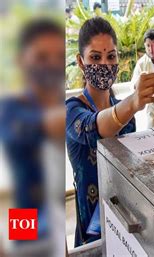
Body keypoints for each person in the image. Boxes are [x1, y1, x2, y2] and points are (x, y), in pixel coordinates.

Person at [66, 17, 154, 246]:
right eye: (95, 57)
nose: (104, 64)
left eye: (110, 56)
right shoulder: (73, 110)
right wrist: (133, 102)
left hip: (125, 224)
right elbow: (95, 127)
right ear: (81, 62)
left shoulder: (126, 115)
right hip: (92, 234)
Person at [0, 18, 65, 249]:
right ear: (21, 61)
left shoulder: (58, 102)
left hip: (56, 219)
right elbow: (44, 125)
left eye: (59, 57)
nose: (53, 65)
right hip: (25, 221)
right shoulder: (10, 108)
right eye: (41, 57)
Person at [131, 29, 154, 128]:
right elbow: (134, 85)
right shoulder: (141, 63)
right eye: (148, 46)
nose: (151, 49)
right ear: (145, 46)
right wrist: (140, 83)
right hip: (152, 105)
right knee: (151, 132)